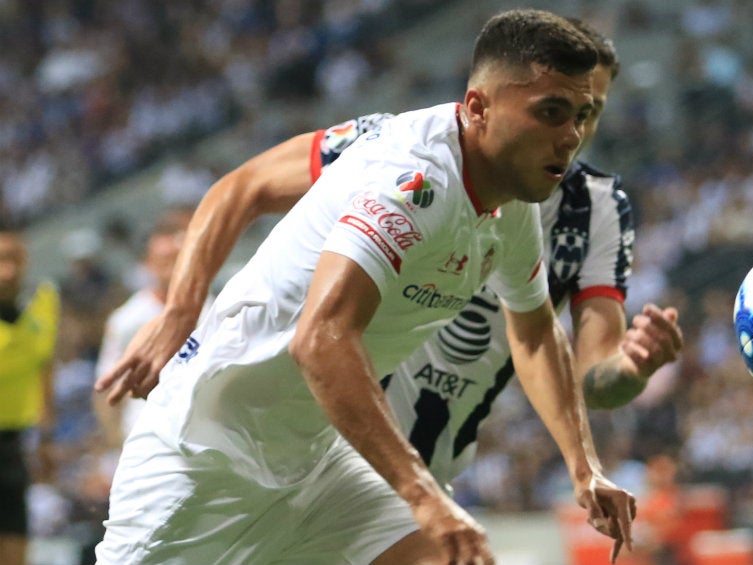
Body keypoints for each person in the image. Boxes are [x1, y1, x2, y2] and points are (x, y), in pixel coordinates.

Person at [95, 9, 638, 565]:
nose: (570, 137)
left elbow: (534, 331)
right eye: (550, 113)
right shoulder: (413, 178)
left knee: (456, 554)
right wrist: (181, 311)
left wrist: (583, 466)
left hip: (319, 462)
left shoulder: (512, 200)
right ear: (478, 108)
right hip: (205, 454)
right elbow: (321, 338)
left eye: (581, 114)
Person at [92, 207, 206, 449]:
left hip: (206, 432)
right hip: (150, 436)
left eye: (180, 260)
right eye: (165, 261)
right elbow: (107, 388)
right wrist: (116, 445)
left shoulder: (213, 307)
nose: (174, 269)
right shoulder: (127, 320)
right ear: (148, 264)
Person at [0, 226, 61, 565]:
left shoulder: (43, 302)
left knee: (14, 546)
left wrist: (46, 436)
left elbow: (45, 366)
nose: (6, 270)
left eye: (14, 259)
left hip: (13, 445)